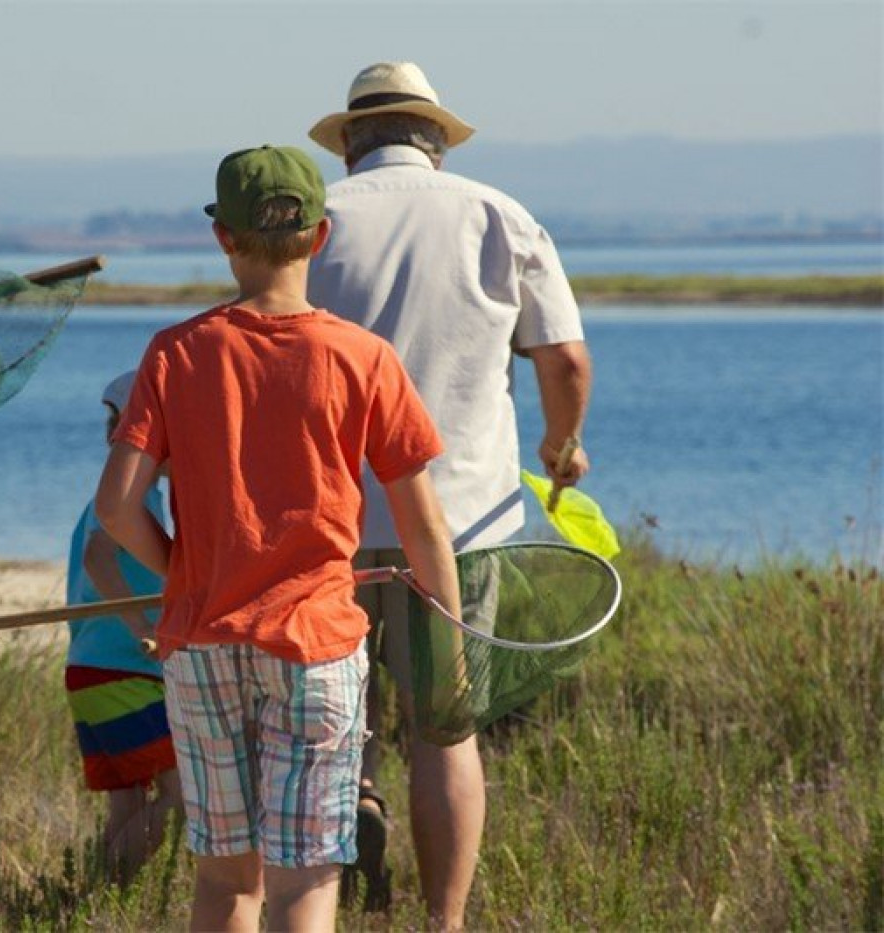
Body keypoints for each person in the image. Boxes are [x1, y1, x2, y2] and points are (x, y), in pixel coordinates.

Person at [95, 145, 462, 932]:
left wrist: (181, 575)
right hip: (316, 645)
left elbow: (117, 507)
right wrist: (454, 637)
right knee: (303, 883)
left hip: (200, 644)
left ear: (223, 238)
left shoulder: (175, 352)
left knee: (227, 879)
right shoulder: (363, 357)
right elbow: (424, 525)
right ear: (320, 236)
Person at [307, 61, 594, 926]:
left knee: (328, 718)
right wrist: (560, 444)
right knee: (446, 728)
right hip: (464, 520)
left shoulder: (315, 219)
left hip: (331, 520)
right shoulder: (498, 214)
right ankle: (445, 919)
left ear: (352, 140)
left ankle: (349, 816)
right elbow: (566, 358)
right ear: (434, 138)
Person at [64, 370, 182, 884]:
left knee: (129, 804)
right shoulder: (129, 501)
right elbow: (97, 558)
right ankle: (93, 895)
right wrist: (140, 628)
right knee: (186, 801)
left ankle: (92, 902)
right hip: (124, 671)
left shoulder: (118, 498)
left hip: (90, 672)